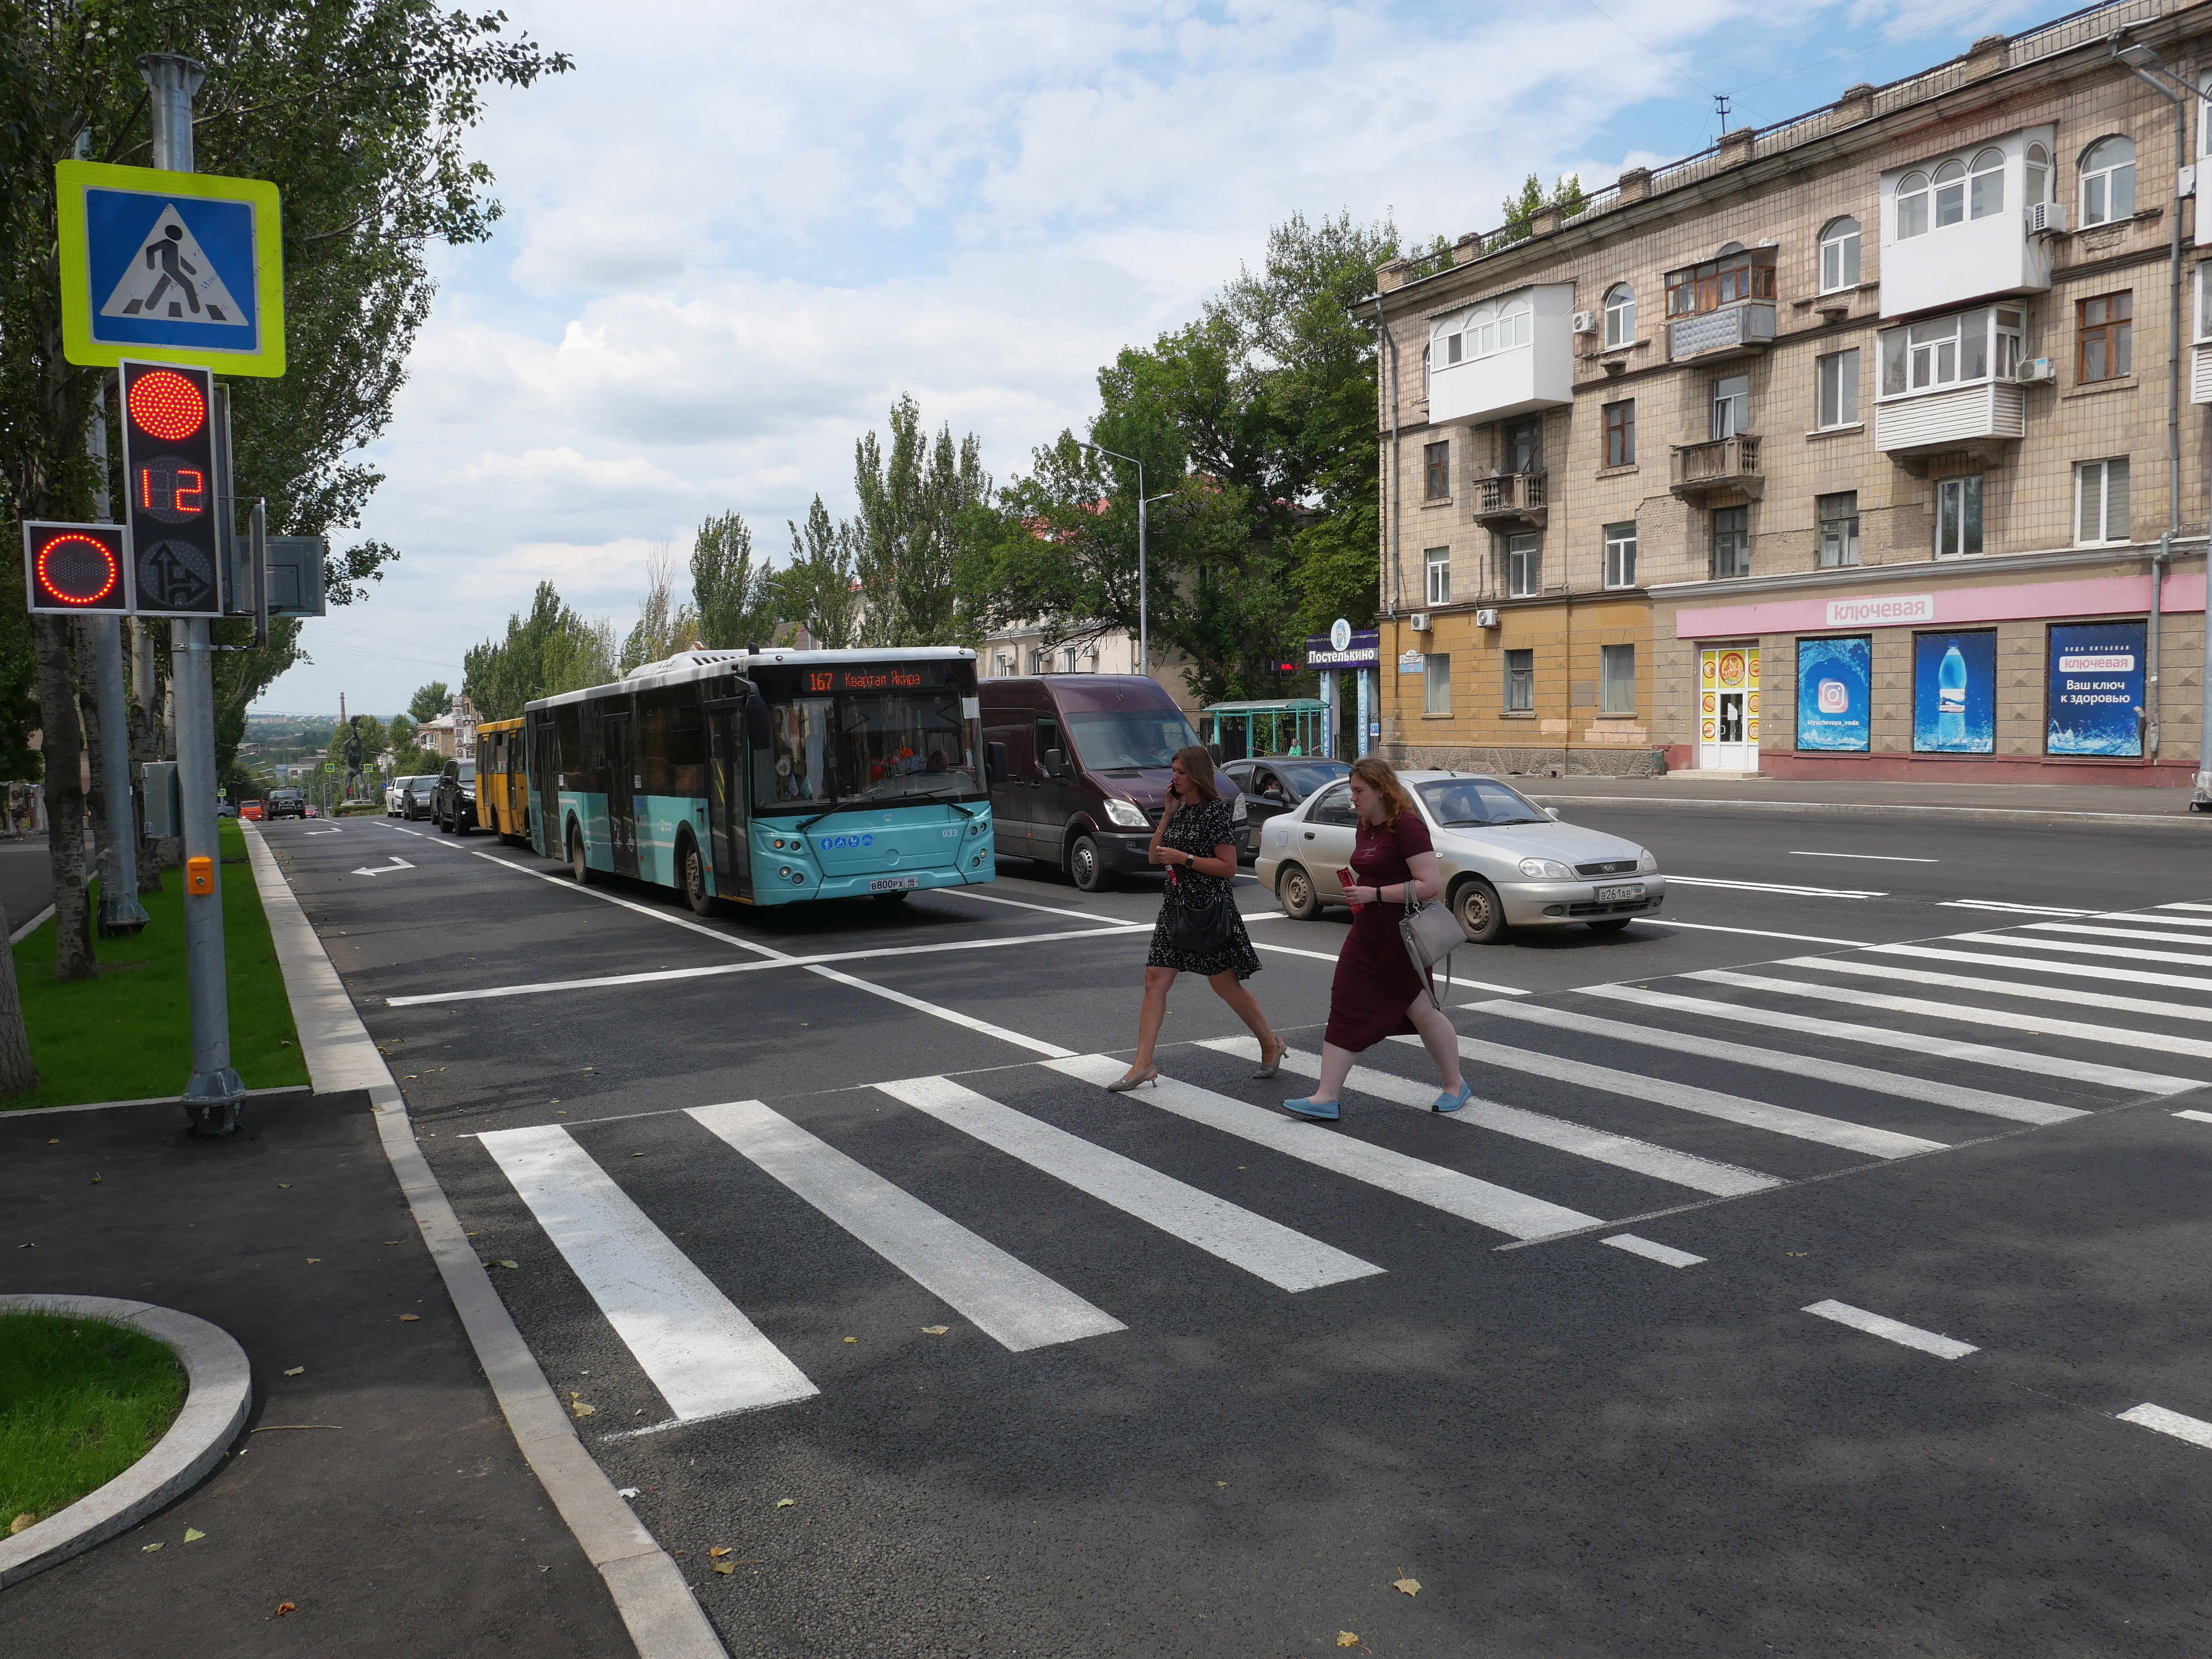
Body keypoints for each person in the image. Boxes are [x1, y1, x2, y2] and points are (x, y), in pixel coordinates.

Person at [1282, 755, 1470, 1121]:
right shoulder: (1365, 825)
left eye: (1357, 791)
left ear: (1381, 790)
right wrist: (1359, 892)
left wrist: (1376, 894)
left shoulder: (1408, 827)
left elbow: (1430, 885)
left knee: (1421, 1012)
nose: (1351, 798)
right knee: (1345, 1005)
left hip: (1402, 940)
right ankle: (1326, 1097)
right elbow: (1371, 869)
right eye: (1351, 791)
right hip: (1366, 935)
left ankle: (1454, 1084)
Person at [1105, 745, 1286, 1091]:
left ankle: (1270, 1042)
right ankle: (1142, 1064)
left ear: (1197, 775)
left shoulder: (1214, 812)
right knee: (1154, 978)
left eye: (1180, 772)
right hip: (1175, 907)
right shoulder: (1180, 811)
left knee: (1223, 983)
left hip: (1207, 911)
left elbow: (1229, 866)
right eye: (1173, 770)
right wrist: (1167, 816)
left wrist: (1184, 858)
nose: (1173, 777)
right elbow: (1154, 858)